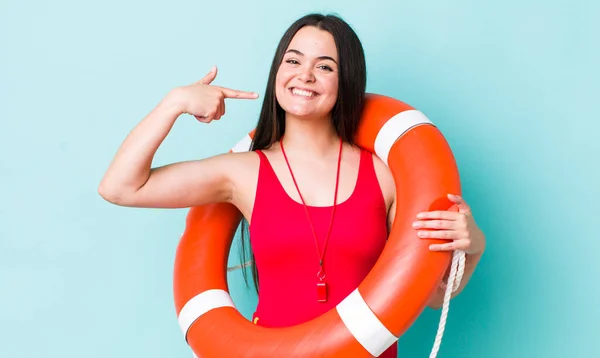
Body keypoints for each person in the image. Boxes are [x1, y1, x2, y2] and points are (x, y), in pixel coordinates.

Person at [98, 13, 486, 357]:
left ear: (345, 81)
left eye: (325, 67)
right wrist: (175, 103)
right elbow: (120, 187)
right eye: (293, 61)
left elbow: (433, 296)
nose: (305, 75)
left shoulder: (385, 176)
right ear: (278, 73)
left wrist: (473, 248)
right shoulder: (243, 173)